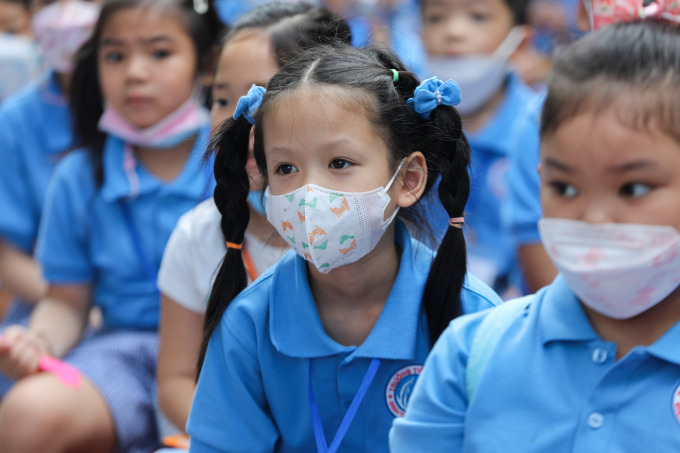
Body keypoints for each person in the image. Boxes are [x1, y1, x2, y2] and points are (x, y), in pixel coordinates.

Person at [187, 43, 501, 453]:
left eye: (339, 163)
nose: (308, 192)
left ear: (408, 179)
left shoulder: (476, 320)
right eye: (285, 168)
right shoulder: (248, 326)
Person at [390, 18, 680, 452]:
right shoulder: (472, 354)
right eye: (565, 187)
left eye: (633, 188)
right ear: (539, 182)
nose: (594, 218)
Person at [0, 0, 222, 452]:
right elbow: (67, 300)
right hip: (126, 353)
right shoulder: (80, 174)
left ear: (205, 65)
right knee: (27, 415)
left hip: (224, 354)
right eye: (115, 55)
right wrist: (39, 340)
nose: (135, 73)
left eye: (160, 53)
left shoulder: (239, 163)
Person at [156, 1, 352, 436]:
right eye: (222, 98)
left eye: (261, 97)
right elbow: (175, 381)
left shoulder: (361, 230)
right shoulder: (197, 235)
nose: (235, 118)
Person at [419, 0, 542, 297]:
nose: (453, 31)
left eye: (478, 16)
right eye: (436, 17)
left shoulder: (544, 130)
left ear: (520, 41)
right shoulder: (408, 128)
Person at [0, 0, 98, 333]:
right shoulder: (15, 123)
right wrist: (73, 305)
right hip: (51, 306)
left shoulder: (155, 118)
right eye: (50, 2)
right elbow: (7, 255)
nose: (69, 13)